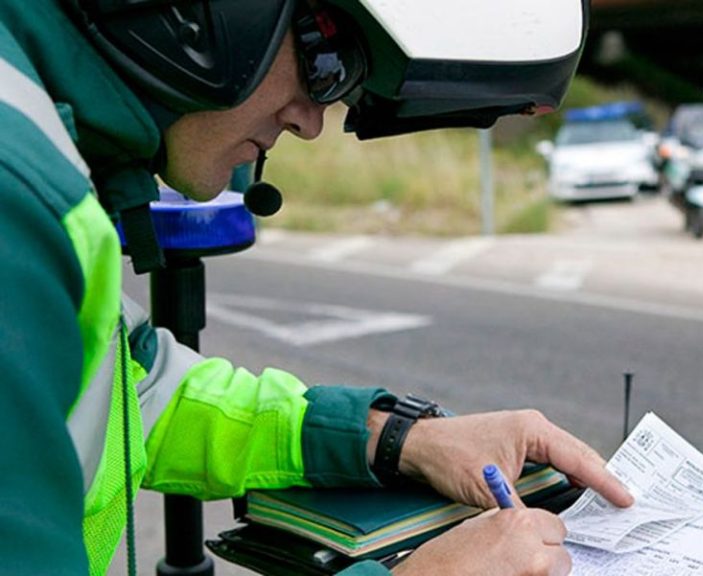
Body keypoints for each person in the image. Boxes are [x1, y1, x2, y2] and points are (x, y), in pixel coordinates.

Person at [0, 1, 633, 575]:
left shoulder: (38, 148)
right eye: (325, 66)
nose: (311, 123)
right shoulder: (15, 206)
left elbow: (137, 393)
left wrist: (397, 437)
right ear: (200, 20)